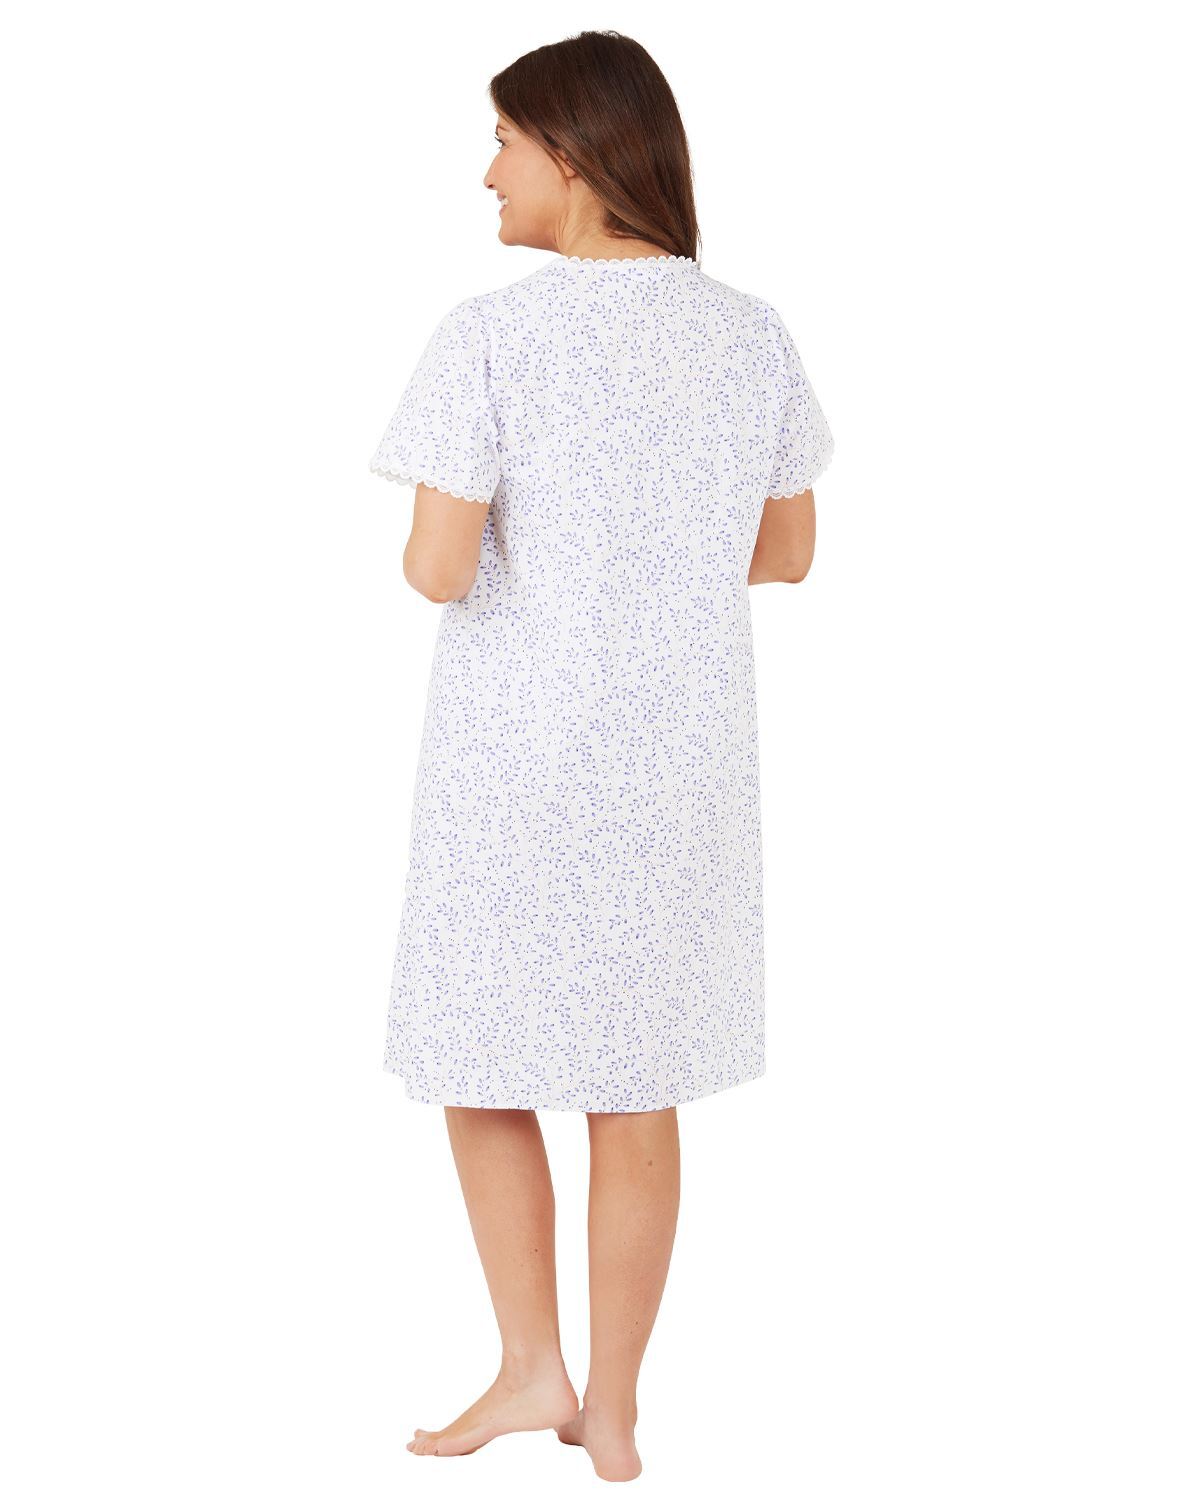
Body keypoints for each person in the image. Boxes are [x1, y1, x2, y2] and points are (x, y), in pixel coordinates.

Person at [368, 29, 834, 1483]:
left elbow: (439, 568)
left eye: (504, 142)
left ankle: (531, 1368)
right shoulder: (750, 332)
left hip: (515, 764)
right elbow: (788, 551)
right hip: (680, 767)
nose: (486, 173)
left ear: (570, 155)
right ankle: (615, 1411)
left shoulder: (490, 334)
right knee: (639, 1084)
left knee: (478, 1055)